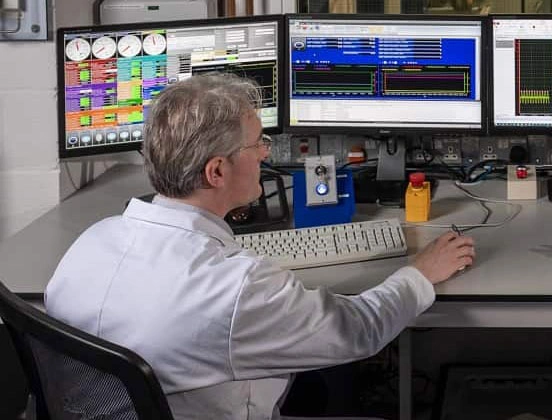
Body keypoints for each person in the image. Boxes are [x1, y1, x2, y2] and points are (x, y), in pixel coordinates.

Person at [45, 73, 476, 419]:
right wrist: (419, 273)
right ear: (217, 171)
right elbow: (358, 331)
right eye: (257, 144)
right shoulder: (237, 287)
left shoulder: (91, 243)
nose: (265, 154)